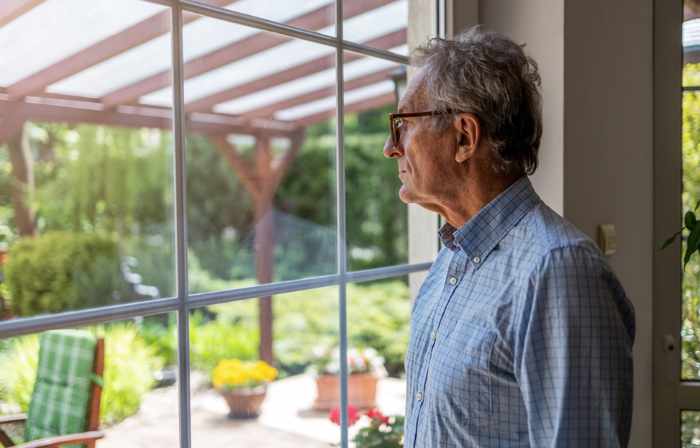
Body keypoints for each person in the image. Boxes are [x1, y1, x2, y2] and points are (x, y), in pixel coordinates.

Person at [384, 26, 635, 447]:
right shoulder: (454, 256)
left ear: (464, 137)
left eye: (402, 125)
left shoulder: (558, 271)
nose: (391, 148)